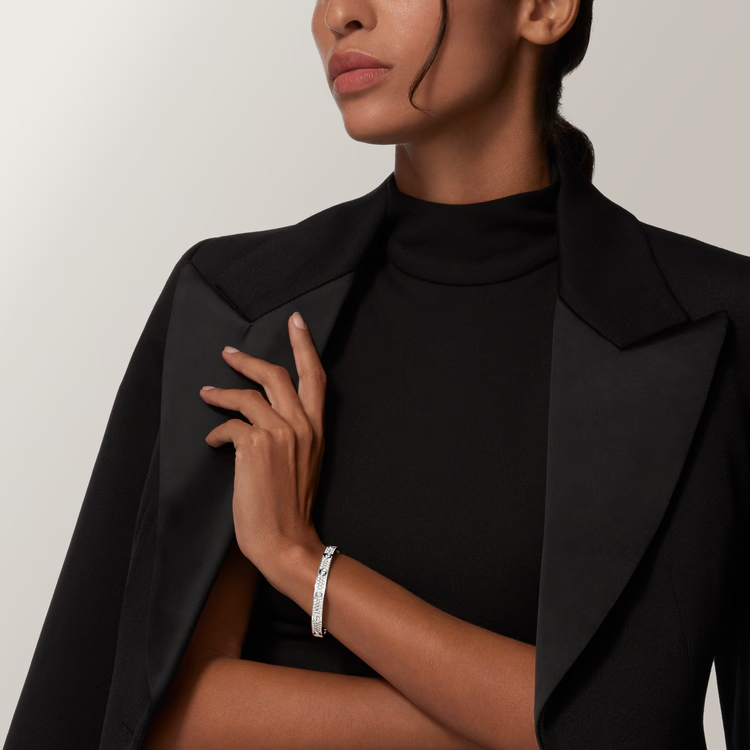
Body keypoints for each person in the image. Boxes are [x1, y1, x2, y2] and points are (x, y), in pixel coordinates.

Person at [5, 1, 749, 749]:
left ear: (544, 9)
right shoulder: (236, 304)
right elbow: (145, 710)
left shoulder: (707, 329)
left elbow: (630, 722)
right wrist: (518, 717)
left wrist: (300, 563)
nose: (338, 14)